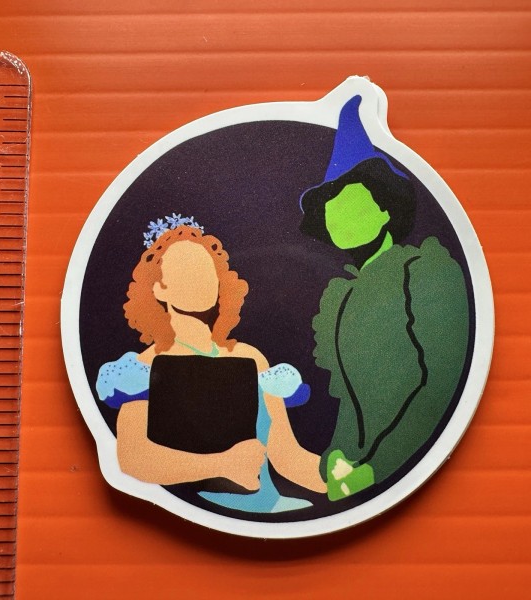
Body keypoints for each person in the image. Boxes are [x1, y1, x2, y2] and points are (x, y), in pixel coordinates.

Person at [299, 96, 470, 501]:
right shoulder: (341, 298)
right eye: (331, 209)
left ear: (385, 210)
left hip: (414, 467)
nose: (339, 216)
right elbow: (348, 396)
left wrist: (379, 467)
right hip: (359, 474)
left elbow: (438, 384)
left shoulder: (423, 271)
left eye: (352, 203)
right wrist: (338, 456)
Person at [96, 216, 326, 513]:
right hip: (193, 516)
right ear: (159, 289)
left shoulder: (251, 358)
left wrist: (352, 480)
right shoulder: (144, 368)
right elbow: (133, 458)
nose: (198, 281)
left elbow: (288, 458)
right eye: (183, 273)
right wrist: (222, 464)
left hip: (271, 511)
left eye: (206, 272)